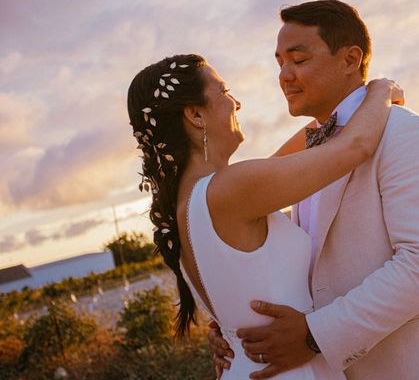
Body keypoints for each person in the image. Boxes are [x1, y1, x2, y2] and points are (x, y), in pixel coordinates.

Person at [209, 0, 419, 380]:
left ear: (350, 59)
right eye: (280, 63)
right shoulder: (311, 156)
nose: (285, 75)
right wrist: (238, 328)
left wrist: (314, 334)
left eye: (299, 59)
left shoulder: (406, 132)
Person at [127, 53, 403, 379]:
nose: (236, 103)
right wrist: (381, 91)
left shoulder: (192, 205)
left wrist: (348, 108)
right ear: (195, 114)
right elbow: (355, 146)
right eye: (224, 91)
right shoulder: (230, 190)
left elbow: (311, 143)